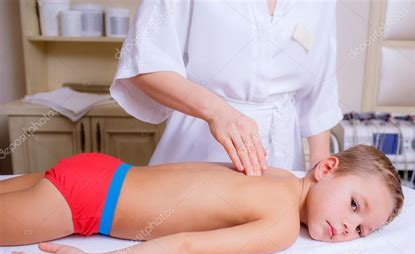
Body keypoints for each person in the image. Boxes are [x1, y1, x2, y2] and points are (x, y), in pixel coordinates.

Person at [1, 145, 404, 254]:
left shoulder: (279, 174)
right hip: (87, 203)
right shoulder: (281, 224)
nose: (349, 227)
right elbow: (188, 248)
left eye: (362, 230)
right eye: (354, 205)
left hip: (103, 170)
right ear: (326, 168)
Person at [110, 0, 343, 176]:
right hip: (197, 152)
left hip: (283, 166)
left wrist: (319, 172)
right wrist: (216, 112)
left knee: (277, 235)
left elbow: (321, 93)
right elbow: (143, 63)